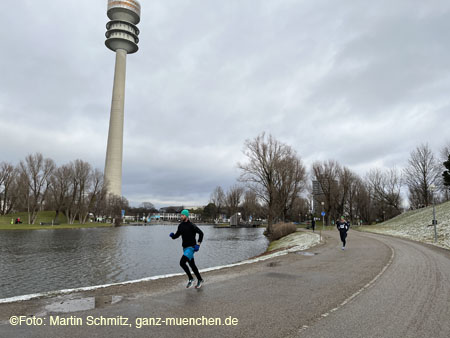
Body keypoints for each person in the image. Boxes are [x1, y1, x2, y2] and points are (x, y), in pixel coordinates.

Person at [170, 209, 204, 288]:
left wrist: (198, 244)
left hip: (191, 248)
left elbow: (201, 233)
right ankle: (200, 279)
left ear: (187, 216)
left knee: (182, 263)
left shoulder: (192, 225)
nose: (181, 216)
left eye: (183, 215)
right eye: (181, 215)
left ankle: (191, 279)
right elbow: (177, 235)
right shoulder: (180, 225)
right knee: (192, 265)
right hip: (185, 248)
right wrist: (172, 236)